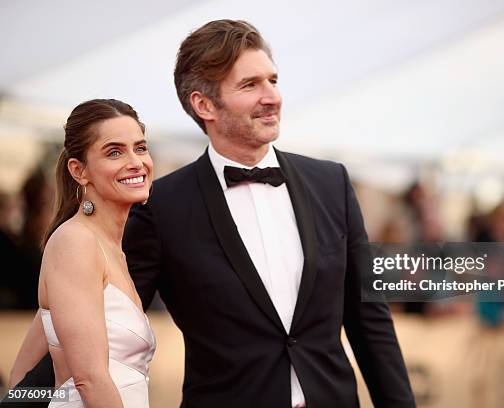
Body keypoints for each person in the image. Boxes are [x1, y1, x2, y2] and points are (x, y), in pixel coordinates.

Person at [10, 20, 415, 407]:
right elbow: (91, 323)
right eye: (250, 84)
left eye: (273, 80)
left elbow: (371, 321)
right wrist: (18, 401)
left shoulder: (332, 183)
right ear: (204, 104)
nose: (271, 96)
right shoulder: (160, 208)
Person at [7, 99, 155, 407]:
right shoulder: (75, 243)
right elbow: (90, 379)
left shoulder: (106, 247)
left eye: (140, 148)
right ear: (79, 170)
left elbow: (22, 377)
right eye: (115, 151)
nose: (135, 162)